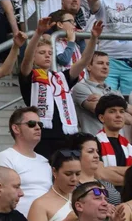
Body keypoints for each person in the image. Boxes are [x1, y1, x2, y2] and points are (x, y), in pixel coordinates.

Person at [18, 17, 101, 156]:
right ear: (34, 56)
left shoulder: (61, 77)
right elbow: (26, 59)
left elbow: (84, 61)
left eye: (50, 53)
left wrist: (93, 39)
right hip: (42, 135)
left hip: (66, 134)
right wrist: (38, 33)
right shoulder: (30, 76)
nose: (47, 56)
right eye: (42, 53)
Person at [0, 107, 53, 218]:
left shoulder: (44, 161)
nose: (38, 128)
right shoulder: (6, 157)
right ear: (16, 128)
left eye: (40, 124)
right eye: (31, 124)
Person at [27, 149, 82, 221]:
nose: (74, 179)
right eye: (68, 174)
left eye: (78, 174)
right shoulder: (40, 204)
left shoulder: (82, 198)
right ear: (54, 172)